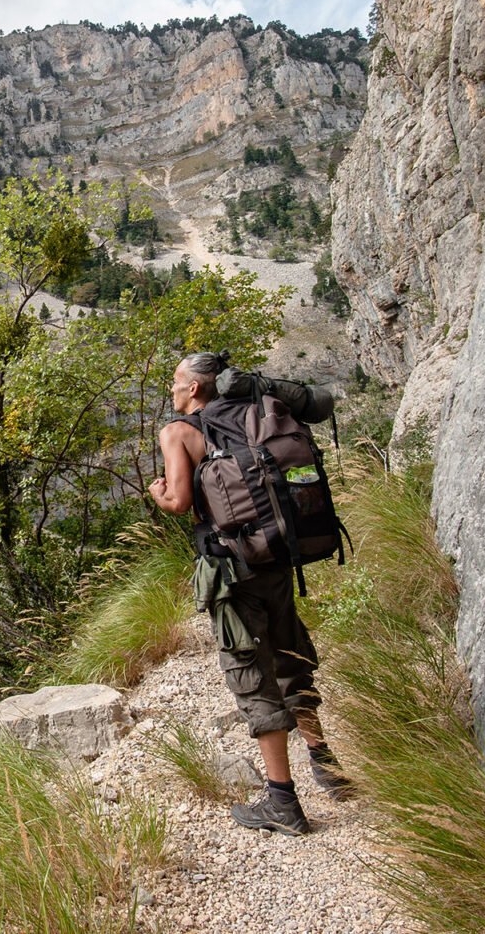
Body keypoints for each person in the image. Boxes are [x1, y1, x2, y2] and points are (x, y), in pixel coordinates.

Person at [147, 352, 351, 835]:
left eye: (176, 384)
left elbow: (179, 501)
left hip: (229, 571)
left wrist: (157, 493)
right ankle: (326, 765)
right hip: (277, 556)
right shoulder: (256, 413)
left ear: (195, 389)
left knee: (249, 672)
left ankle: (282, 801)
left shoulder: (179, 431)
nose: (172, 392)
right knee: (289, 655)